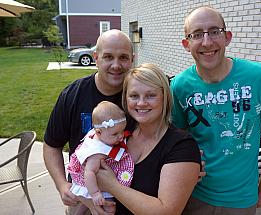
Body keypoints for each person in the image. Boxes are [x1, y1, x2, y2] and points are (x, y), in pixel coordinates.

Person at [170, 6, 261, 215]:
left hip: (241, 199)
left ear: (227, 37)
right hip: (193, 194)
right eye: (197, 34)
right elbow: (177, 139)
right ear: (186, 44)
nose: (207, 42)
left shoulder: (260, 77)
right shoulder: (179, 87)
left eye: (214, 31)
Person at [81, 63, 201, 215]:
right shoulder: (120, 130)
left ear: (165, 97)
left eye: (151, 95)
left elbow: (166, 212)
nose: (141, 103)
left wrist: (112, 186)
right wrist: (91, 203)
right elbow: (83, 164)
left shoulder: (181, 146)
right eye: (134, 96)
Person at [43, 29, 134, 215]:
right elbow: (52, 145)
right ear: (96, 58)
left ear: (132, 59)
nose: (116, 65)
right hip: (84, 195)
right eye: (108, 57)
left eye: (123, 57)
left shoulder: (139, 97)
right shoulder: (72, 95)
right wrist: (62, 185)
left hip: (131, 195)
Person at [67, 101, 134, 215]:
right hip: (92, 184)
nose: (121, 136)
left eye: (122, 131)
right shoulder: (97, 152)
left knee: (84, 206)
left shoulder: (100, 135)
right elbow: (89, 172)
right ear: (98, 132)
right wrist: (95, 194)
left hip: (94, 182)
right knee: (110, 208)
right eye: (115, 134)